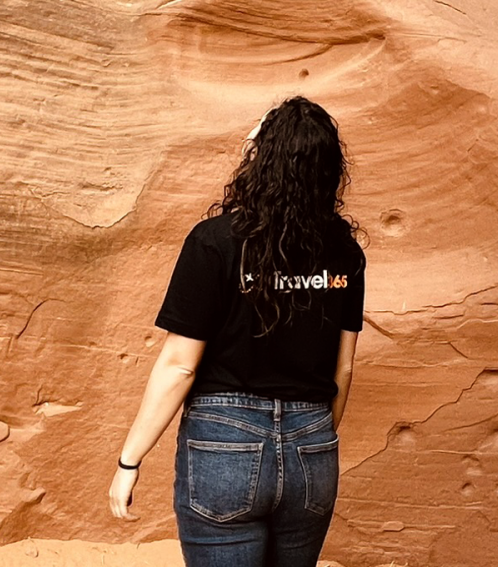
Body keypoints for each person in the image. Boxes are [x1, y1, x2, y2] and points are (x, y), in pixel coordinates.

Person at [109, 96, 366, 567]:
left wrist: (129, 460)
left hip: (223, 442)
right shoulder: (344, 252)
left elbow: (180, 366)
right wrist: (310, 438)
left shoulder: (215, 241)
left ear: (260, 158)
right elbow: (344, 366)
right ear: (330, 170)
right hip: (313, 440)